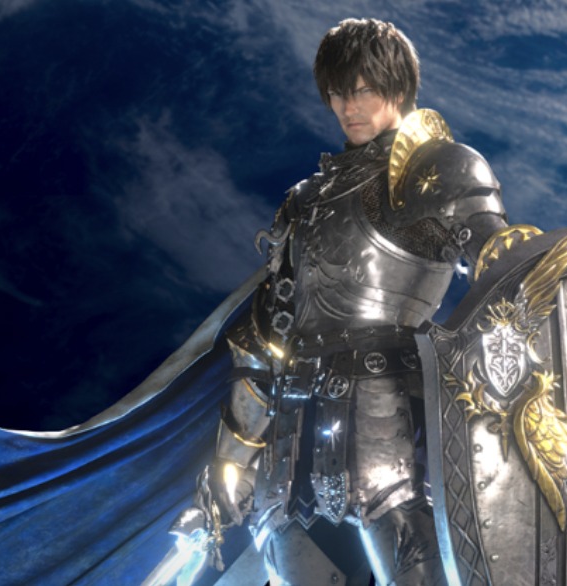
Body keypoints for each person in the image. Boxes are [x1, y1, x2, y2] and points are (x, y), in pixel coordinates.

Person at [173, 18, 510, 585]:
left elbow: (502, 265)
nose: (348, 107)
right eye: (337, 93)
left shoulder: (436, 171)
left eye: (364, 90)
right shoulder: (304, 201)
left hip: (390, 424)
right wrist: (233, 461)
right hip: (291, 439)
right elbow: (267, 335)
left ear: (398, 89)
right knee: (285, 554)